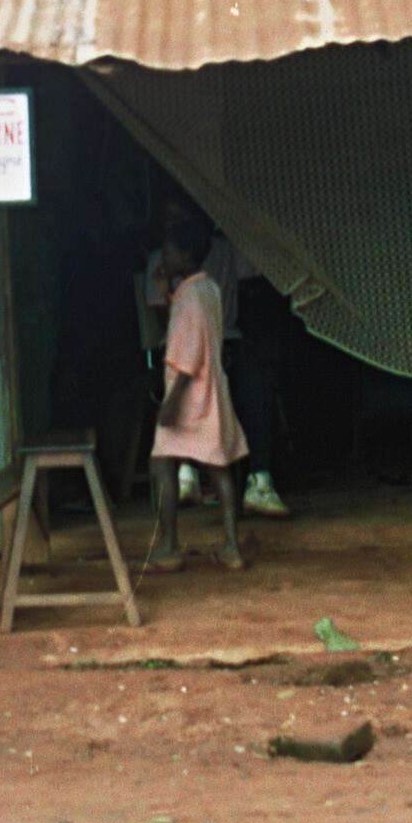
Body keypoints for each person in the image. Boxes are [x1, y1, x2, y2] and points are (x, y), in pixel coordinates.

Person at [145, 201, 291, 517]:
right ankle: (190, 476)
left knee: (255, 385)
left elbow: (263, 264)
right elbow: (172, 329)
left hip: (220, 345)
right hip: (185, 350)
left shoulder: (222, 254)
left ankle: (258, 480)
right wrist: (165, 293)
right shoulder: (168, 266)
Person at [147, 218, 248, 573]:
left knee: (162, 465)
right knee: (218, 466)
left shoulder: (188, 298)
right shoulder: (207, 289)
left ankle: (170, 546)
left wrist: (169, 407)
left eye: (169, 252)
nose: (164, 256)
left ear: (185, 255)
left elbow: (186, 359)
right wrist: (165, 292)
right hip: (212, 392)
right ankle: (232, 546)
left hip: (187, 395)